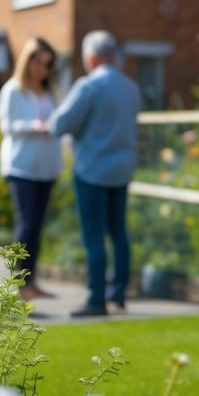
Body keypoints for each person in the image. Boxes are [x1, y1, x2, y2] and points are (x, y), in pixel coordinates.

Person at [48, 30, 140, 318]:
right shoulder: (130, 87)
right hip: (122, 168)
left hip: (92, 169)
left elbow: (59, 124)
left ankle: (97, 298)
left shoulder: (89, 86)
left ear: (92, 57)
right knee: (119, 231)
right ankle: (119, 291)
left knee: (94, 235)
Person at [0, 36, 63, 301]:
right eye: (40, 62)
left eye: (48, 64)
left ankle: (31, 282)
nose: (43, 69)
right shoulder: (13, 89)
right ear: (28, 61)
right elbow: (7, 126)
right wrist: (32, 126)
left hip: (46, 168)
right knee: (25, 224)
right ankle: (19, 282)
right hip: (21, 166)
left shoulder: (49, 93)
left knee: (36, 226)